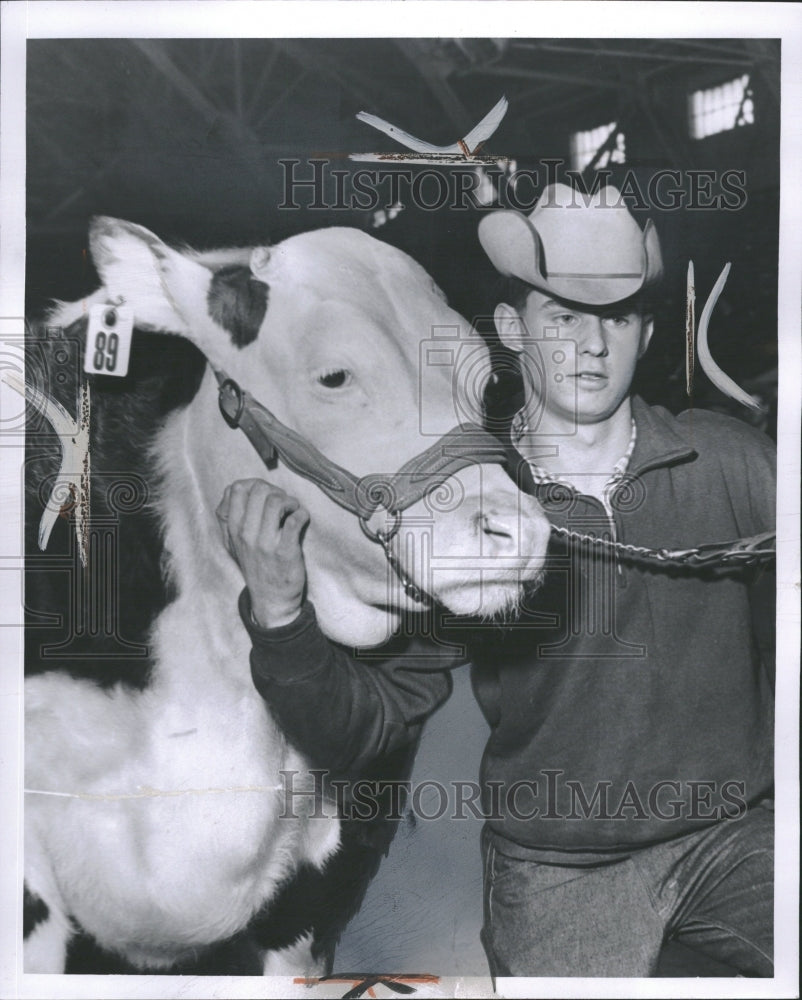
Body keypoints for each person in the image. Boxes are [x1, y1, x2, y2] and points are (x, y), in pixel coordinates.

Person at [216, 184, 775, 977]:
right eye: (563, 318)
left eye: (616, 318)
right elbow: (366, 730)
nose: (592, 346)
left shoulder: (729, 462)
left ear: (646, 334)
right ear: (513, 329)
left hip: (737, 836)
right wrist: (279, 618)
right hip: (560, 866)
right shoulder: (462, 507)